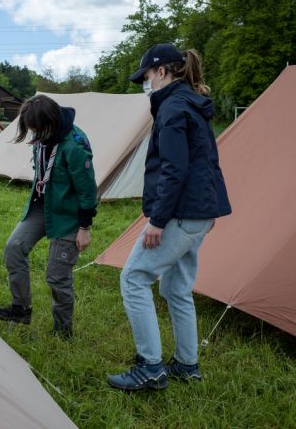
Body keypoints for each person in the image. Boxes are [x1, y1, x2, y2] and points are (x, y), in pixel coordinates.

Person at [107, 44, 231, 391]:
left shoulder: (173, 107)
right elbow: (206, 161)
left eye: (146, 76)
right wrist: (207, 209)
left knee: (134, 278)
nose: (145, 84)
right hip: (198, 212)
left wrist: (158, 221)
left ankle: (150, 367)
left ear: (161, 72)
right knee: (177, 288)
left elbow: (174, 170)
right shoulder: (192, 103)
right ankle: (187, 365)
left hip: (180, 213)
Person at [0, 94, 97, 339]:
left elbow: (87, 190)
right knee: (14, 248)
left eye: (37, 129)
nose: (34, 135)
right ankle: (21, 308)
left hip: (69, 216)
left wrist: (84, 228)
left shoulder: (75, 145)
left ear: (51, 122)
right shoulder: (43, 137)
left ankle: (62, 331)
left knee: (56, 276)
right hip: (43, 206)